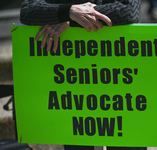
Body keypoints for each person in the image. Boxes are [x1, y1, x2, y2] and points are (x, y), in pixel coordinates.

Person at [20, 0, 146, 150]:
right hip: (73, 80)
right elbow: (28, 10)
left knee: (127, 141)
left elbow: (128, 12)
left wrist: (72, 20)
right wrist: (69, 12)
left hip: (119, 76)